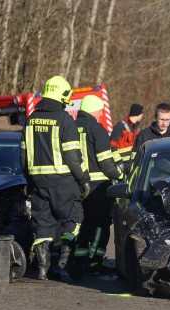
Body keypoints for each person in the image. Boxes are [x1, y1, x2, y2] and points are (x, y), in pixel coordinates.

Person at [20, 76, 90, 279]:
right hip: (64, 183)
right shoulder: (65, 120)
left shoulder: (31, 119)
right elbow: (72, 156)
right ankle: (65, 264)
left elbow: (23, 156)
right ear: (63, 96)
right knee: (73, 221)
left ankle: (42, 269)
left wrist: (28, 181)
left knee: (44, 226)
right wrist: (83, 179)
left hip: (38, 184)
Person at [72, 95, 125, 279]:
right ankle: (95, 260)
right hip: (98, 188)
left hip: (75, 186)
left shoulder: (70, 127)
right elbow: (106, 163)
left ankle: (79, 261)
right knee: (101, 224)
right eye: (100, 110)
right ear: (94, 109)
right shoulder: (97, 129)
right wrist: (121, 175)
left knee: (83, 224)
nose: (101, 114)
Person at [110, 103, 144, 171]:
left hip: (132, 165)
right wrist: (119, 163)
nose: (142, 116)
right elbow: (112, 146)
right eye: (142, 114)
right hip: (121, 166)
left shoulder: (135, 129)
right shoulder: (120, 127)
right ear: (139, 114)